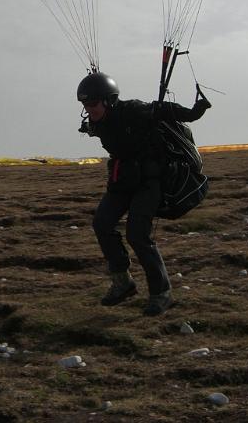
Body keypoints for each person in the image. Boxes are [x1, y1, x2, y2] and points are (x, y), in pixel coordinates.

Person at [77, 71, 211, 316]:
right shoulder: (98, 122)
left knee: (137, 235)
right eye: (85, 105)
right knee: (101, 224)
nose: (89, 109)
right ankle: (122, 283)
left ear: (108, 100)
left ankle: (161, 294)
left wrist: (193, 112)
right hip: (121, 181)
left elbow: (163, 110)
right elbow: (100, 130)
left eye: (93, 104)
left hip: (149, 182)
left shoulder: (134, 110)